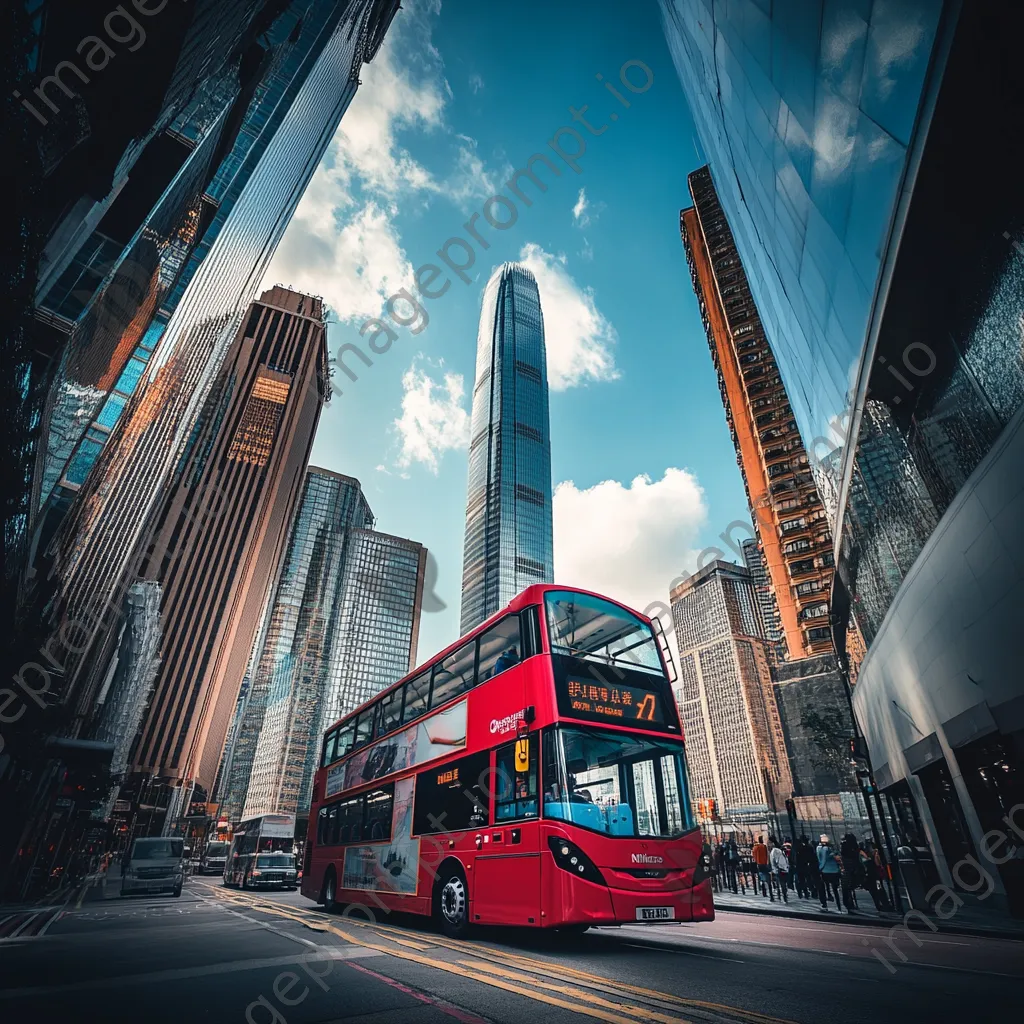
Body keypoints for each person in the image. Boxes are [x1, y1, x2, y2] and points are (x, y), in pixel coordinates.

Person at [817, 834, 842, 911]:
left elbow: (822, 860)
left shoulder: (821, 848)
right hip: (834, 870)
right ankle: (839, 906)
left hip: (826, 870)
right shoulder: (831, 848)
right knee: (835, 889)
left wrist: (820, 868)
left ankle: (824, 905)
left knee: (822, 887)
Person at [840, 833, 861, 911]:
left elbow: (843, 855)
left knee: (846, 887)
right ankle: (851, 903)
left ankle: (848, 903)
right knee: (851, 886)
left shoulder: (844, 845)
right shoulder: (855, 846)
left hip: (847, 868)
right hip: (854, 867)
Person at [794, 835, 817, 899]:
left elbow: (796, 858)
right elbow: (812, 857)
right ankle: (813, 892)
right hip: (808, 866)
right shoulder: (810, 847)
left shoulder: (797, 848)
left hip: (800, 866)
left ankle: (806, 893)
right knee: (809, 880)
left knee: (802, 880)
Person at [768, 837, 789, 903]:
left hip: (779, 870)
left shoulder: (775, 851)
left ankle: (784, 898)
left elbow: (777, 861)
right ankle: (783, 897)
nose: (768, 844)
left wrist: (777, 868)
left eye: (769, 843)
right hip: (781, 869)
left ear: (772, 843)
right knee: (781, 884)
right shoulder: (777, 850)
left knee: (781, 884)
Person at [752, 835, 772, 900]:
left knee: (761, 878)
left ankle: (764, 891)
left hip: (758, 864)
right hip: (764, 863)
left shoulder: (755, 847)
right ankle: (769, 892)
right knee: (767, 877)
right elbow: (767, 855)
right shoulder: (764, 846)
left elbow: (754, 855)